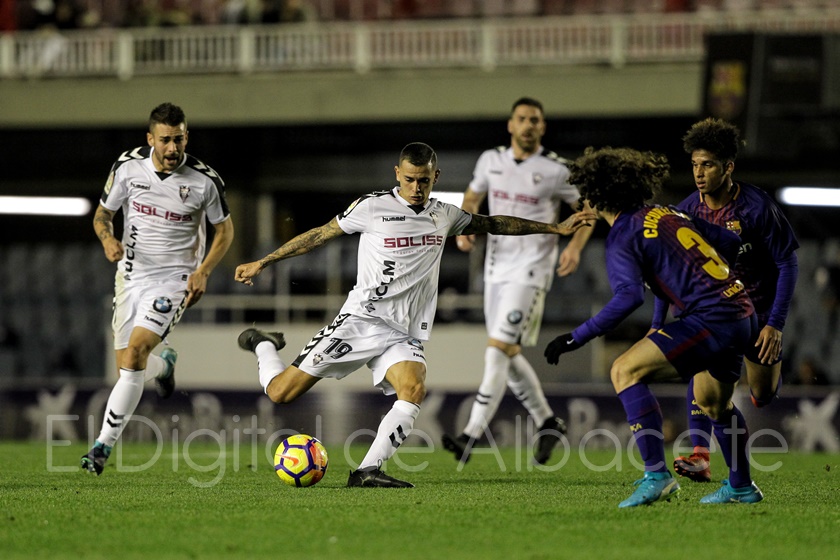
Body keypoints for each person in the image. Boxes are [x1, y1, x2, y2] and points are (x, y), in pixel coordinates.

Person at [234, 142, 594, 488]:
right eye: (409, 179)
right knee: (280, 393)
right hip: (361, 321)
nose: (416, 188)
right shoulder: (371, 207)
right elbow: (319, 235)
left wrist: (555, 228)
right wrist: (263, 262)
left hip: (403, 332)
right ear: (397, 174)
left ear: (435, 176)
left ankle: (367, 470)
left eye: (423, 180)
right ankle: (264, 344)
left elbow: (495, 223)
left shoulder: (445, 215)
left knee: (413, 387)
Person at [544, 146, 764, 507]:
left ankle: (657, 476)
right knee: (714, 403)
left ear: (596, 195)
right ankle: (741, 486)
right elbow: (729, 241)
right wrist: (706, 285)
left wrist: (575, 337)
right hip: (742, 312)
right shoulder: (667, 212)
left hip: (712, 317)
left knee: (624, 370)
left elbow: (629, 297)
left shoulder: (622, 235)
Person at [81, 102, 235, 475]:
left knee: (135, 352)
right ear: (150, 139)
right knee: (128, 368)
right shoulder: (127, 167)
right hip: (130, 276)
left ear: (187, 138)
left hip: (175, 280)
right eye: (165, 140)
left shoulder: (204, 181)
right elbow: (103, 214)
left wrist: (203, 271)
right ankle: (163, 365)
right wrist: (107, 239)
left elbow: (225, 231)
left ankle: (101, 448)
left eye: (178, 139)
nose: (172, 148)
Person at [440, 97, 593, 465]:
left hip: (531, 271)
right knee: (506, 352)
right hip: (495, 268)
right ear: (510, 124)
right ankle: (548, 422)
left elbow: (588, 210)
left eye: (535, 120)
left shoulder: (557, 169)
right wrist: (465, 226)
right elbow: (473, 195)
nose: (528, 125)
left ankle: (470, 434)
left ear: (543, 127)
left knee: (497, 349)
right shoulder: (490, 160)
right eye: (522, 119)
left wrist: (574, 246)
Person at [668, 118, 799, 482]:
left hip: (759, 314)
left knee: (763, 393)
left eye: (708, 164)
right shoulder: (687, 211)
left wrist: (776, 324)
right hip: (716, 312)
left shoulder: (757, 207)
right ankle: (700, 456)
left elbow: (787, 263)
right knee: (701, 374)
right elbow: (676, 267)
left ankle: (760, 388)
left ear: (728, 167)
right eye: (694, 164)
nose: (699, 173)